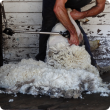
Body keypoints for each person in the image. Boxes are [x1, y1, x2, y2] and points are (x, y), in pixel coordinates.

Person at [35, 0, 106, 66]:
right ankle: (42, 63)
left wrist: (82, 15)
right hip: (54, 3)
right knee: (49, 26)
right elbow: (58, 8)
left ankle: (89, 65)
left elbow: (100, 6)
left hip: (73, 4)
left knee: (77, 32)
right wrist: (73, 33)